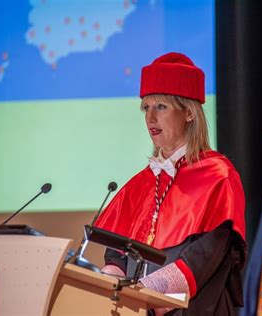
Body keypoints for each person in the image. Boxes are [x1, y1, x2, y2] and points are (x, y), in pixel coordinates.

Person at [94, 52, 246, 315]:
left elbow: (205, 256)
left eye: (161, 107)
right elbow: (116, 252)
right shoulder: (140, 184)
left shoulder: (218, 175)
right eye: (146, 107)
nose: (150, 118)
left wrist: (145, 294)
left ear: (188, 113)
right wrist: (112, 280)